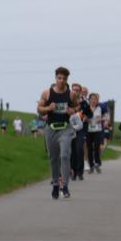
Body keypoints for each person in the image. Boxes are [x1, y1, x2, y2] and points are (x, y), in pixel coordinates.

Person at [38, 66, 81, 199]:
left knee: (64, 155)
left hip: (65, 128)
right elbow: (39, 108)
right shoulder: (47, 93)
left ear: (67, 79)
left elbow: (77, 105)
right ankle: (56, 184)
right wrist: (47, 108)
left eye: (64, 78)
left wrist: (72, 111)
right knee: (54, 158)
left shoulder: (71, 94)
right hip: (51, 129)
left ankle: (65, 186)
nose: (61, 81)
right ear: (55, 78)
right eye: (59, 78)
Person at [69, 83, 92, 181]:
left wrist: (86, 117)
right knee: (72, 150)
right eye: (73, 89)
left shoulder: (84, 102)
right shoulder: (68, 100)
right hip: (70, 128)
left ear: (80, 91)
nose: (75, 91)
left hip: (81, 128)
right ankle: (73, 172)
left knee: (79, 148)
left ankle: (80, 172)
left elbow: (90, 113)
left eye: (77, 90)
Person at [86, 93, 107, 173]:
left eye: (95, 99)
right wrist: (86, 119)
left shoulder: (100, 107)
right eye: (92, 99)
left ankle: (97, 163)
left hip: (98, 130)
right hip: (88, 131)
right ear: (89, 100)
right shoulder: (86, 108)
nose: (93, 100)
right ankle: (91, 165)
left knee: (97, 147)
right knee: (89, 148)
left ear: (97, 100)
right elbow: (82, 116)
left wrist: (101, 118)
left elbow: (106, 117)